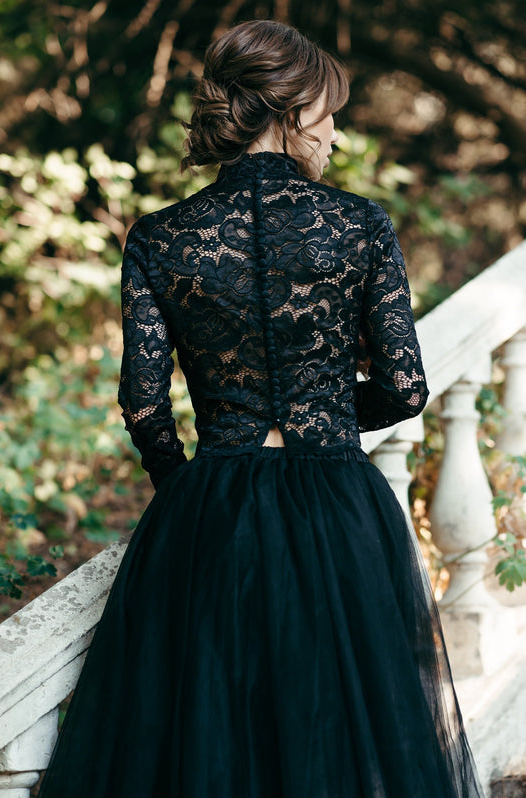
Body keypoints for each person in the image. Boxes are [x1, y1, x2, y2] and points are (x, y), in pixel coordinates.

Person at [38, 19, 484, 798]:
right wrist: (326, 419)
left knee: (216, 738)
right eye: (329, 113)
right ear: (291, 112)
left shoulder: (157, 239)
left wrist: (187, 488)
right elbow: (405, 388)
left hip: (212, 504)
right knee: (348, 739)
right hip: (337, 502)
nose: (336, 132)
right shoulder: (360, 224)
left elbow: (144, 404)